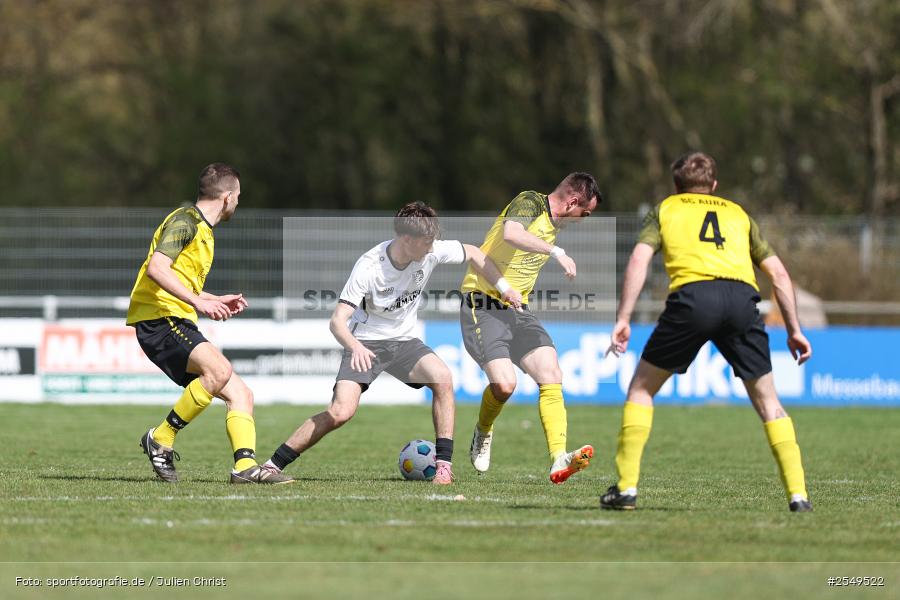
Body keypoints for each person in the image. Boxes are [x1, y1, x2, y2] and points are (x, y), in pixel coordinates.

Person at [602, 151, 813, 512]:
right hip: (742, 300)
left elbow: (639, 259)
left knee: (641, 389)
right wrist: (794, 330)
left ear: (676, 185)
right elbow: (779, 274)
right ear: (714, 185)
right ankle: (799, 496)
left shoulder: (666, 209)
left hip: (693, 299)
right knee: (769, 402)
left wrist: (623, 317)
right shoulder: (738, 214)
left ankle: (625, 489)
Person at [262, 202, 521, 484]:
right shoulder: (370, 266)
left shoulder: (430, 251)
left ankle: (444, 467)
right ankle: (271, 466)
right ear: (406, 239)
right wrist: (355, 346)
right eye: (426, 242)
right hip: (366, 343)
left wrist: (505, 288)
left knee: (443, 378)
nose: (432, 248)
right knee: (340, 412)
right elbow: (337, 321)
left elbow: (474, 253)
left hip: (404, 341)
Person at [129, 163, 292, 484]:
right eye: (238, 196)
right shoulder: (185, 221)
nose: (238, 203)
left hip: (176, 318)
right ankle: (160, 437)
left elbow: (178, 278)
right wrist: (199, 302)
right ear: (227, 196)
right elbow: (157, 269)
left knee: (241, 394)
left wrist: (211, 298)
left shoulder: (202, 229)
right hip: (159, 318)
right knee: (219, 371)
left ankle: (245, 467)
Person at [460, 172, 602, 483]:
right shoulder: (529, 202)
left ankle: (558, 458)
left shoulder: (554, 225)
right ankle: (483, 430)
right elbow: (511, 233)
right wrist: (556, 252)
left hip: (518, 309)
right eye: (585, 213)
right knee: (504, 385)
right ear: (573, 202)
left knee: (551, 373)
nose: (584, 220)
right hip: (482, 302)